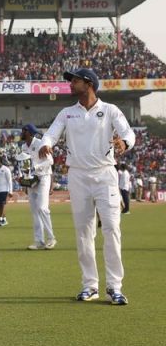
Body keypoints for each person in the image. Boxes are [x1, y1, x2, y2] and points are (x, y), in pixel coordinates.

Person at [40, 67, 135, 305]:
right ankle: (90, 285)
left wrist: (124, 142)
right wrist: (46, 143)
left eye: (75, 80)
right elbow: (51, 133)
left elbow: (128, 134)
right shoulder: (67, 112)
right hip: (78, 176)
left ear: (89, 83)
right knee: (84, 232)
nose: (70, 84)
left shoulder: (110, 110)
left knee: (112, 229)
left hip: (105, 174)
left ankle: (114, 287)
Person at [18, 124, 57, 250]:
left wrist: (35, 167)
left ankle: (51, 239)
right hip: (31, 180)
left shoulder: (41, 143)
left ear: (27, 132)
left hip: (43, 177)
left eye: (22, 131)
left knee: (42, 208)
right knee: (35, 211)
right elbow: (24, 164)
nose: (21, 133)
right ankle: (39, 241)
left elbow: (50, 161)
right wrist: (22, 177)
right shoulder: (24, 146)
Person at [0, 156, 14, 227]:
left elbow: (9, 181)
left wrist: (10, 191)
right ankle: (4, 220)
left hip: (4, 190)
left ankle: (0, 219)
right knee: (0, 205)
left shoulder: (6, 169)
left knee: (2, 204)